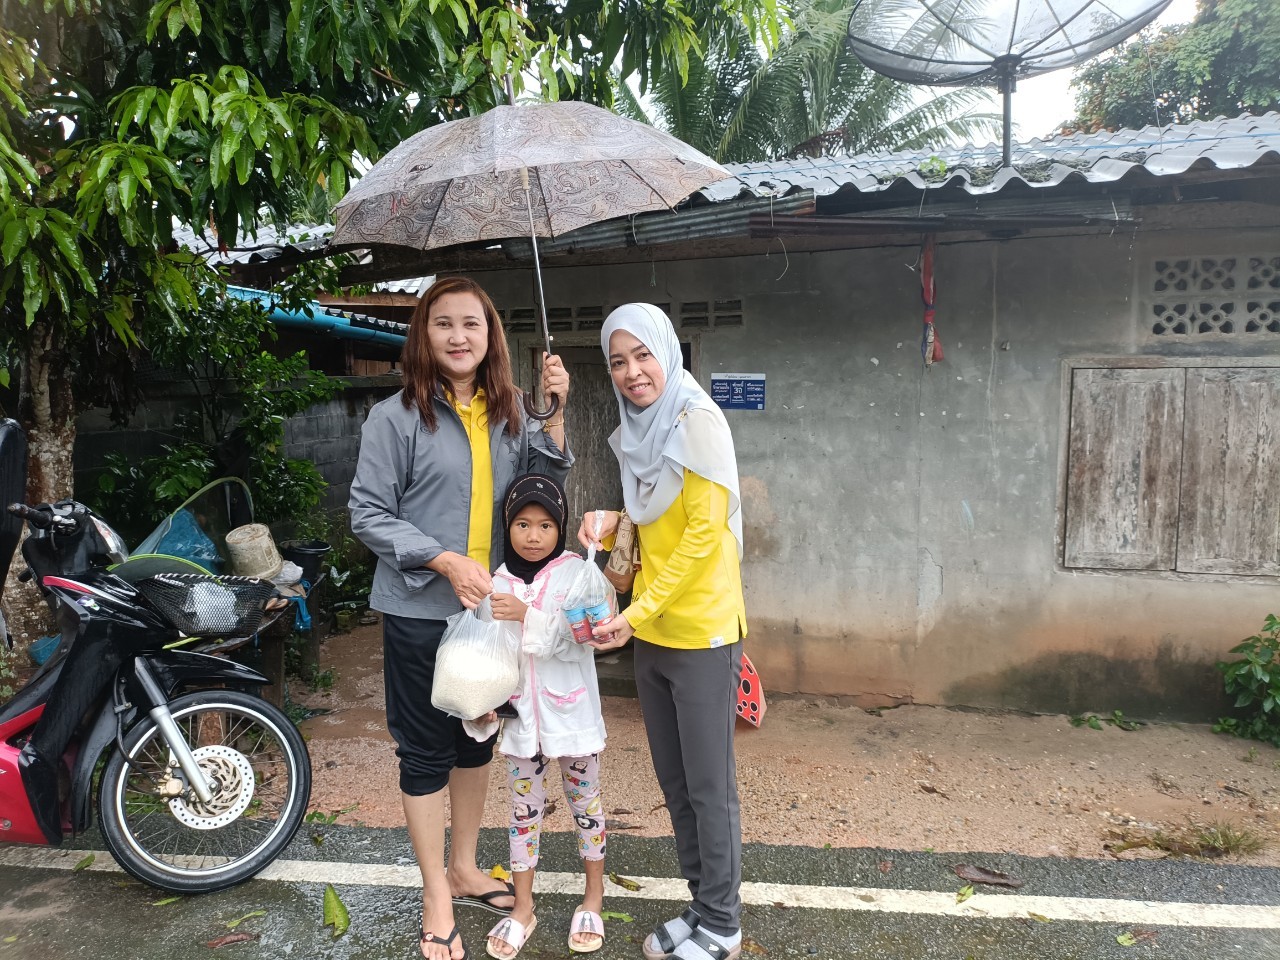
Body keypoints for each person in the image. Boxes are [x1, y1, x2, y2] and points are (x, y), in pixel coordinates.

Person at [349, 276, 572, 960]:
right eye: (443, 323)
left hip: (490, 613)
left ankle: (466, 867)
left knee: (476, 740)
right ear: (424, 334)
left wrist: (555, 413)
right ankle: (435, 894)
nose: (457, 336)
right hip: (420, 611)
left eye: (471, 323)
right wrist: (442, 559)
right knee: (424, 750)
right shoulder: (394, 419)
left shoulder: (510, 414)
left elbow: (543, 488)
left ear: (489, 335)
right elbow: (367, 513)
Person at [577, 304, 747, 960]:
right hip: (652, 633)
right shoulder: (638, 430)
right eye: (618, 361)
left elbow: (702, 536)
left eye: (642, 355)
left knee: (709, 788)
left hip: (701, 633)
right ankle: (702, 904)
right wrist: (612, 521)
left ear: (667, 353)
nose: (632, 372)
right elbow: (653, 520)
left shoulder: (696, 420)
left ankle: (724, 924)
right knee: (676, 786)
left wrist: (633, 615)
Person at [480, 473, 609, 959]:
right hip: (519, 722)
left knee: (586, 806)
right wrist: (487, 698)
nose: (533, 536)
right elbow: (492, 652)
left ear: (561, 527)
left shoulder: (577, 573)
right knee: (522, 813)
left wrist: (527, 615)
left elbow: (584, 639)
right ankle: (523, 908)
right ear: (507, 526)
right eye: (522, 524)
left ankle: (593, 898)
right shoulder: (496, 581)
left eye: (545, 525)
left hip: (572, 718)